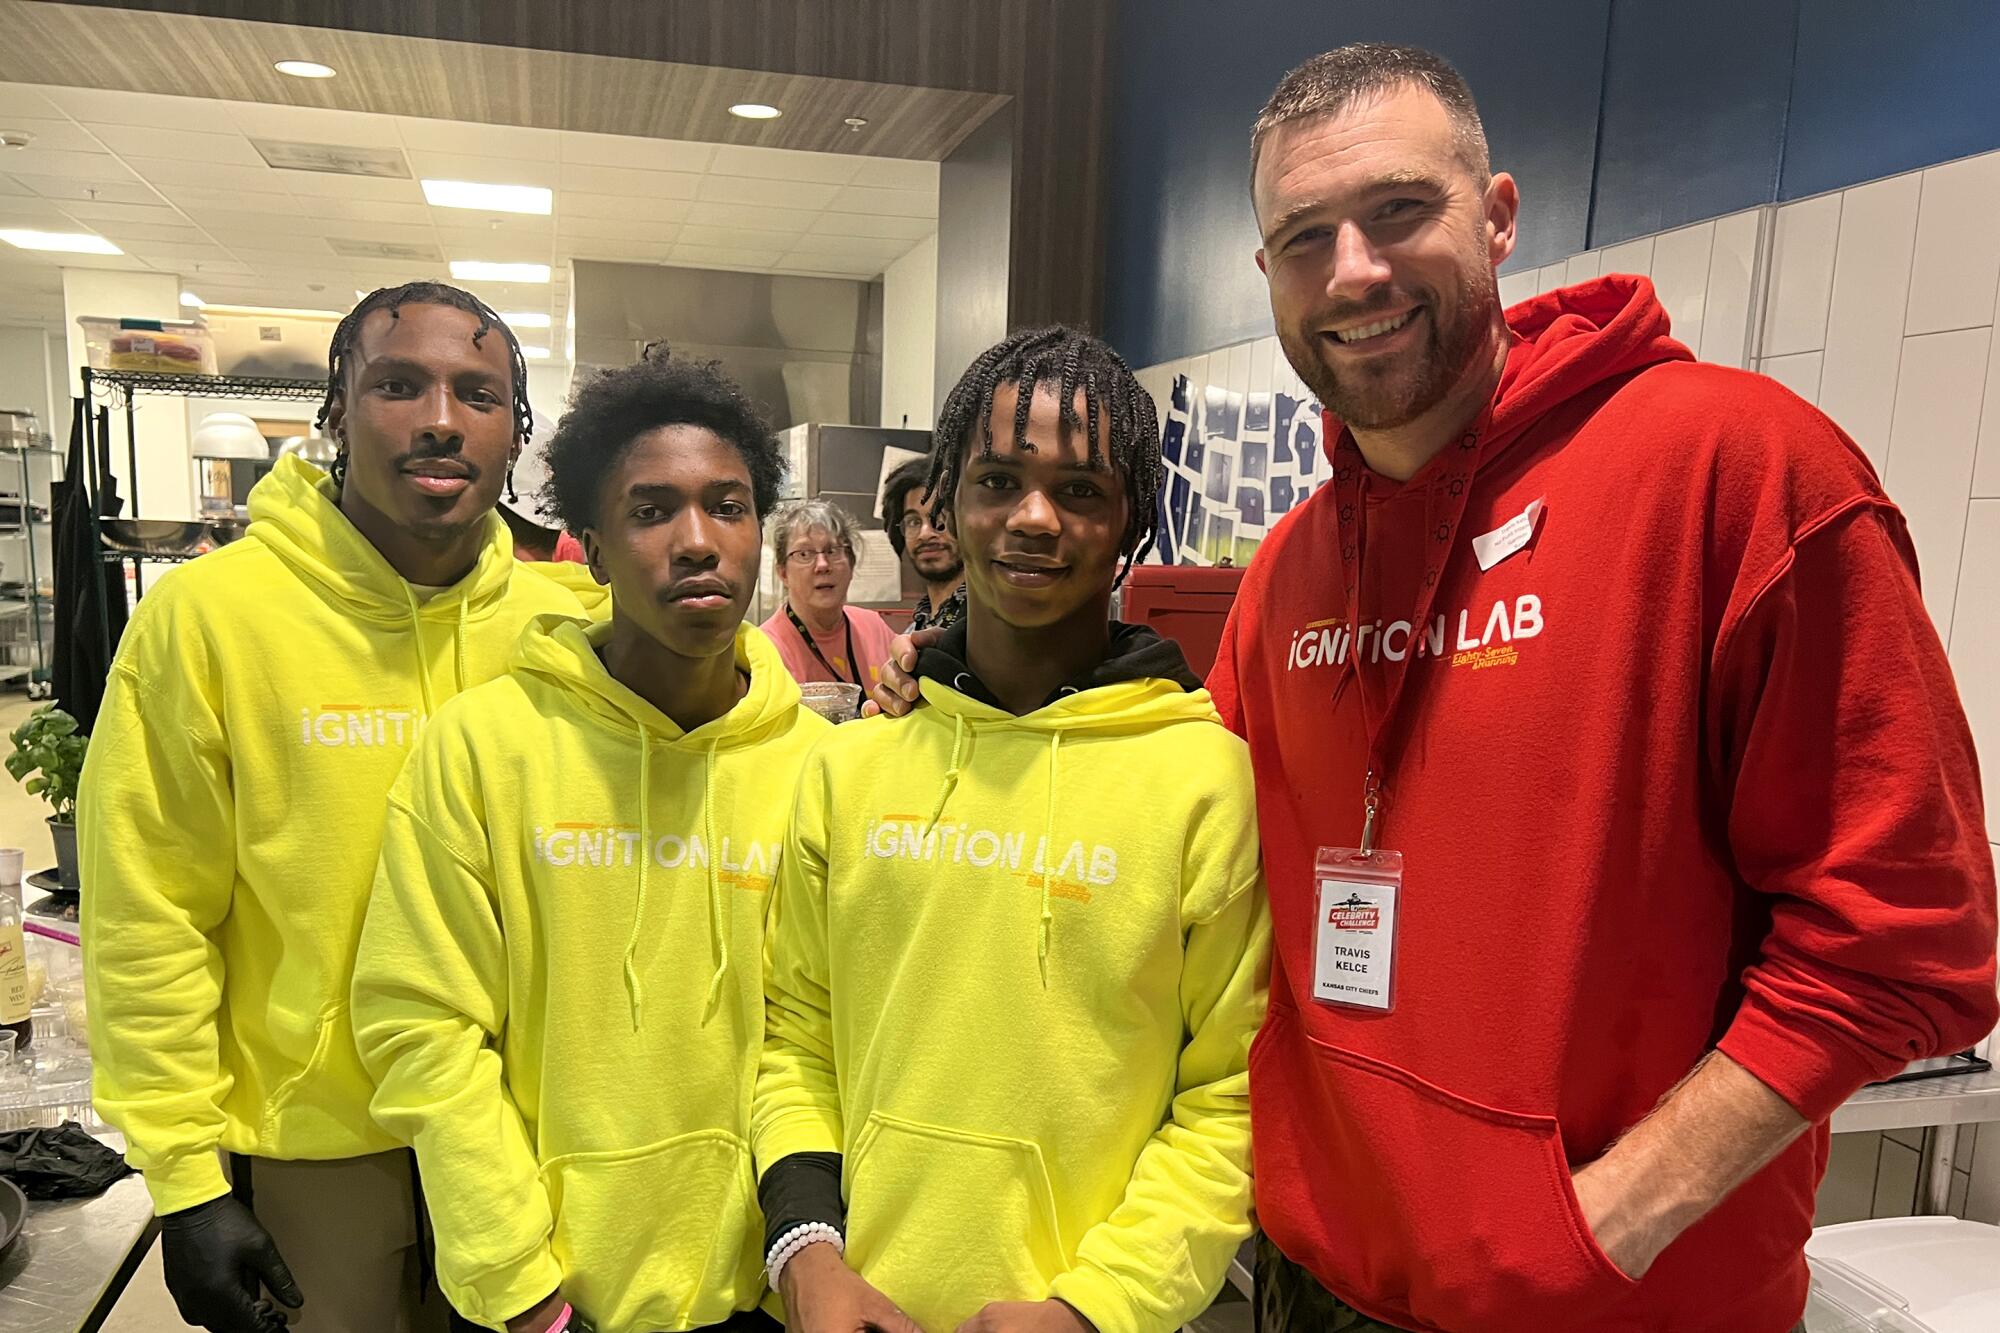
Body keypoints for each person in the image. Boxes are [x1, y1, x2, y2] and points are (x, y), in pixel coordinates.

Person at [869, 44, 1999, 1333]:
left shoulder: (1733, 473)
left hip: (1607, 1306)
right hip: (1314, 1286)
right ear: (1266, 277)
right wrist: (947, 675)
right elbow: (1177, 848)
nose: (1352, 270)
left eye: (1397, 210)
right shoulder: (1295, 566)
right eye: (1304, 237)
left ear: (1499, 215)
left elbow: (1909, 939)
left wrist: (1603, 1224)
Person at [79, 282, 596, 1333]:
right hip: (318, 1151)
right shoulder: (209, 622)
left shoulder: (574, 628)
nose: (441, 418)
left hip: (535, 1139)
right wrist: (184, 1179)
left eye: (479, 393)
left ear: (515, 433)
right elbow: (147, 914)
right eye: (399, 384)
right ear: (335, 411)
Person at [755, 326, 1270, 1333]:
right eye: (997, 480)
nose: (1032, 517)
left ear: (1130, 524)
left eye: (1079, 491)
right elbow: (793, 1043)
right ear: (941, 504)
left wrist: (1097, 1306)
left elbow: (1231, 1100)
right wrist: (807, 1253)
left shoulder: (1206, 783)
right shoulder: (851, 767)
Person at [353, 352, 825, 1333]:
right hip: (543, 1297)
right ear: (595, 550)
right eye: (652, 511)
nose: (697, 542)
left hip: (765, 1287)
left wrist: (805, 1251)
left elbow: (817, 1042)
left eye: (726, 506)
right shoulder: (485, 746)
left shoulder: (822, 767)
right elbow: (422, 1029)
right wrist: (520, 1288)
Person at [757, 498, 898, 687]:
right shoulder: (767, 648)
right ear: (783, 573)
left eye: (832, 551)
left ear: (851, 563)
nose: (823, 565)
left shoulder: (875, 627)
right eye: (804, 554)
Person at [879, 453, 966, 631]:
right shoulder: (914, 629)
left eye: (940, 519)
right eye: (913, 522)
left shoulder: (989, 623)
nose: (925, 534)